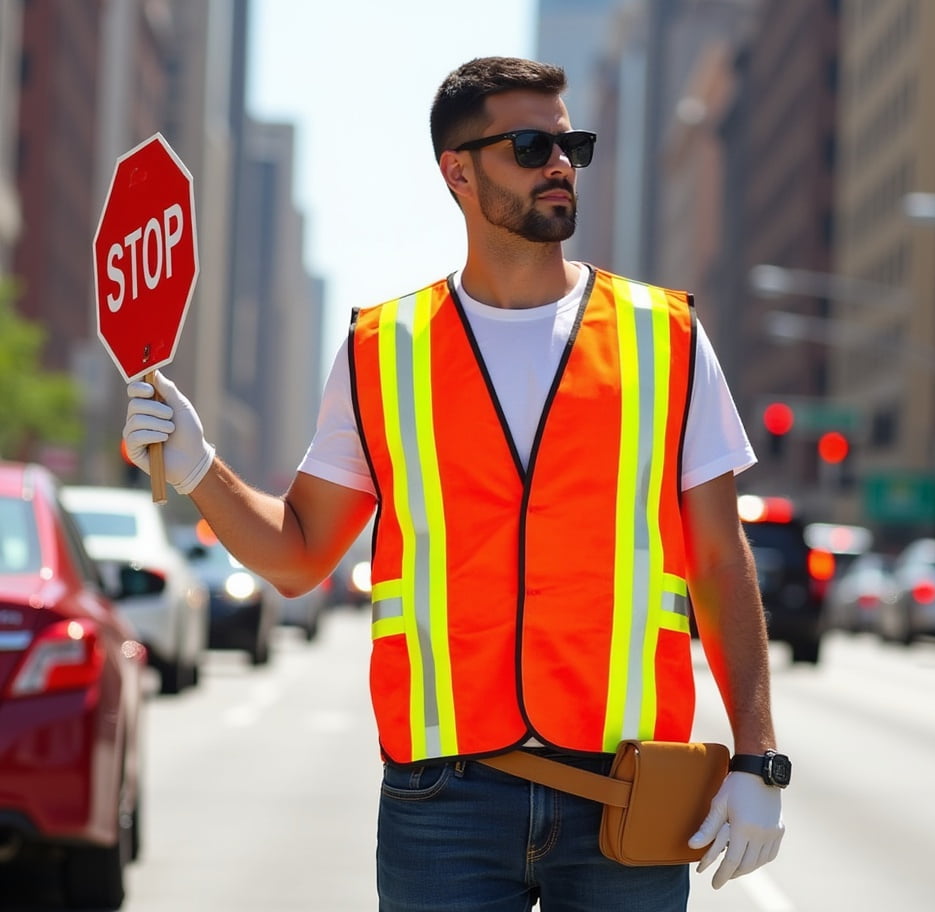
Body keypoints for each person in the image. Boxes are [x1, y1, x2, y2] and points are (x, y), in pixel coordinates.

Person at [123, 56, 785, 911]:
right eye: (530, 145)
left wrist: (757, 757)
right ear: (457, 171)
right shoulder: (381, 349)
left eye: (569, 145)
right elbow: (296, 557)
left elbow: (721, 562)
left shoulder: (667, 339)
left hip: (628, 795)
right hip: (444, 804)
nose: (558, 164)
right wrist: (197, 467)